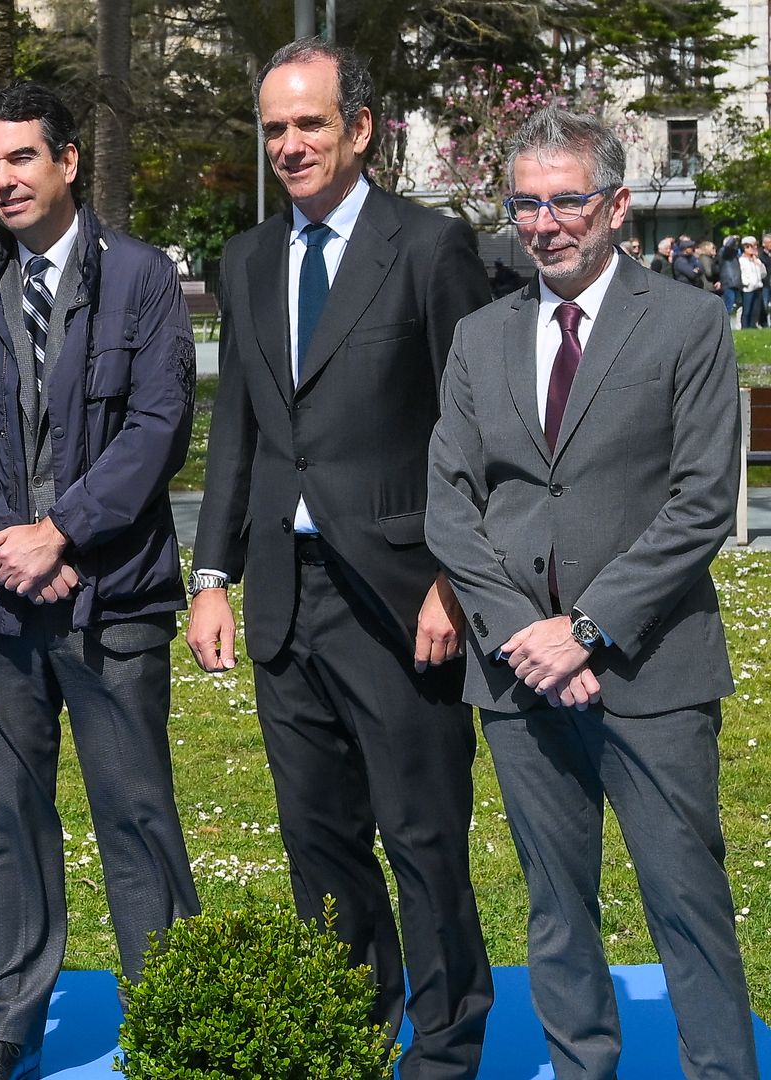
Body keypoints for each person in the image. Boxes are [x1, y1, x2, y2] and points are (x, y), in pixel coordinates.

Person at [426, 106, 759, 1080]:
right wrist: (524, 632)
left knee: (686, 902)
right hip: (520, 679)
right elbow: (452, 505)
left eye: (567, 200)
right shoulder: (481, 338)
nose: (544, 222)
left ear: (617, 205)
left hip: (652, 672)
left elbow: (701, 503)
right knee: (556, 908)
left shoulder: (690, 323)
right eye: (525, 202)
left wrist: (587, 629)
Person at [185, 38, 493, 1077]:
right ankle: (354, 1031)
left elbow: (472, 424)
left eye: (309, 123)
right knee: (318, 845)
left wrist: (458, 578)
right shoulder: (248, 259)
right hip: (284, 596)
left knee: (422, 839)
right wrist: (212, 575)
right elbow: (241, 429)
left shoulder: (431, 247)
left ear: (360, 128)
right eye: (274, 127)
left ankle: (447, 1049)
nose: (289, 145)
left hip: (407, 600)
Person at [0, 82, 200, 1080]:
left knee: (137, 814)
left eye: (21, 160)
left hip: (112, 598)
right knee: (6, 823)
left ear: (67, 162)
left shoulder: (144, 279)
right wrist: (5, 540)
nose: (3, 181)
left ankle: (172, 1018)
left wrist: (64, 533)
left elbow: (158, 426)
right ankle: (10, 1028)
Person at [741, 237, 765, 330]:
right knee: (747, 309)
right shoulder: (742, 260)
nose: (752, 249)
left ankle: (752, 326)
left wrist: (758, 263)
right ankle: (745, 327)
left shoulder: (756, 260)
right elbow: (742, 274)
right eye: (748, 247)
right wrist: (746, 283)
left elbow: (763, 273)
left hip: (758, 287)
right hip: (748, 288)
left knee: (756, 310)